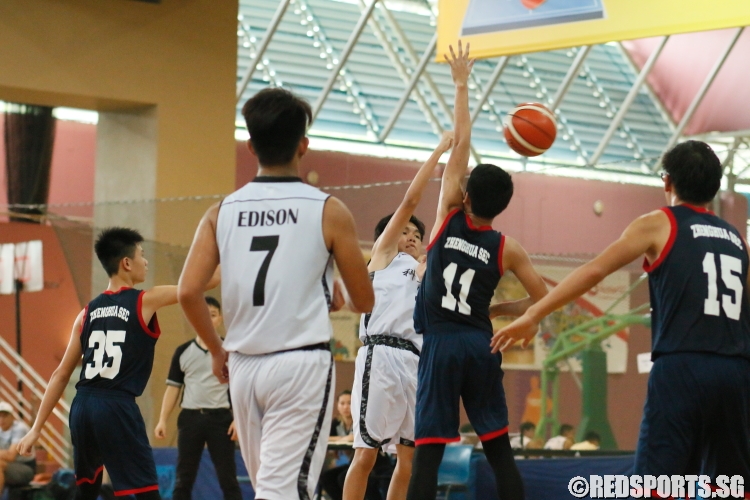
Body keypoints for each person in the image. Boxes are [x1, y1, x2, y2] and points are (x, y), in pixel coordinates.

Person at [492, 140, 750, 479]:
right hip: (735, 373)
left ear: (667, 182)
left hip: (682, 367)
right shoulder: (737, 238)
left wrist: (533, 313)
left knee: (658, 483)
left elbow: (594, 271)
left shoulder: (659, 222)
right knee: (731, 485)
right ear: (715, 186)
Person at [177, 87, 374, 500]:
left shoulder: (220, 212)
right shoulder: (328, 209)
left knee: (271, 488)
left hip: (243, 368)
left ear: (250, 146)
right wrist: (337, 293)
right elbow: (366, 301)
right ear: (304, 145)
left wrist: (215, 349)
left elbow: (188, 292)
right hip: (299, 365)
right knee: (283, 492)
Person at [405, 41, 548, 500]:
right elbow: (543, 297)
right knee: (500, 449)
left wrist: (462, 83)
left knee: (426, 454)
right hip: (480, 343)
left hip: (443, 345)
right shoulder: (508, 247)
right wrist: (503, 310)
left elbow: (461, 141)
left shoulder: (448, 215)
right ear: (501, 207)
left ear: (466, 196)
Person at [16, 227, 218, 500]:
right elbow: (204, 282)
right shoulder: (145, 300)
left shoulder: (86, 312)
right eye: (142, 255)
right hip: (116, 406)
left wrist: (36, 428)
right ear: (126, 263)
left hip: (82, 405)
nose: (146, 262)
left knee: (86, 490)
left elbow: (61, 374)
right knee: (145, 491)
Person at [343, 131, 454, 500]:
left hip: (418, 363)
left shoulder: (428, 275)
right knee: (365, 455)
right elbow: (411, 199)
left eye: (416, 234)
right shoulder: (384, 257)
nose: (410, 235)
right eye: (404, 230)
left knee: (410, 460)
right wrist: (440, 149)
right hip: (381, 354)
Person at [154, 296, 241, 500]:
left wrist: (238, 419)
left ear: (220, 319)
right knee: (184, 478)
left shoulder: (230, 351)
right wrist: (162, 420)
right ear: (195, 318)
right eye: (204, 315)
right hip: (191, 418)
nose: (209, 320)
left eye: (213, 315)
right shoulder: (183, 352)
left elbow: (241, 389)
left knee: (228, 479)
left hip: (221, 420)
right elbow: (173, 389)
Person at [0, 402, 35, 492]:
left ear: (12, 417)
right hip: (8, 465)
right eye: (0, 416)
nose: (1, 419)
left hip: (26, 468)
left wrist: (5, 454)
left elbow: (11, 456)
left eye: (5, 416)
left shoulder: (19, 429)